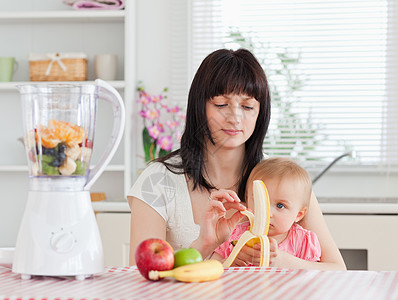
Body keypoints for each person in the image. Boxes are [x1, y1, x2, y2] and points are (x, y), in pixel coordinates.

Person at [127, 48, 346, 270]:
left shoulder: (284, 179)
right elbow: (142, 277)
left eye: (248, 106)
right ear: (199, 106)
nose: (235, 117)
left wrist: (279, 260)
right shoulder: (156, 182)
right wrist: (205, 245)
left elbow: (337, 269)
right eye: (221, 104)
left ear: (260, 113)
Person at [213, 157, 321, 266]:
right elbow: (212, 267)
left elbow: (315, 276)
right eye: (261, 201)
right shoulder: (234, 235)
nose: (268, 214)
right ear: (248, 199)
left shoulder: (304, 241)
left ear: (299, 214)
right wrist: (230, 263)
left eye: (280, 205)